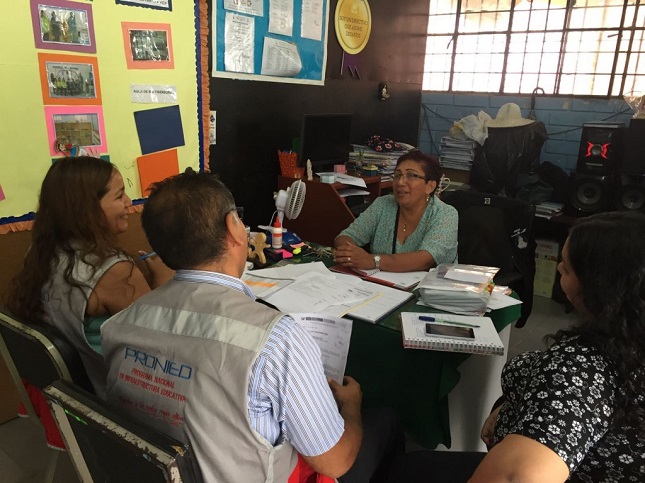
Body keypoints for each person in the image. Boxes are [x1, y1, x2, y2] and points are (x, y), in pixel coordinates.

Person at [101, 170, 404, 482]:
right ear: (233, 227)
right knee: (387, 422)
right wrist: (351, 407)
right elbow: (336, 461)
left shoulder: (120, 323)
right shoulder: (276, 340)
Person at [470, 211, 645, 482]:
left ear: (599, 286)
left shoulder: (581, 368)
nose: (558, 271)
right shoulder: (625, 337)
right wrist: (516, 406)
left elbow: (519, 475)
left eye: (566, 267)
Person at [5, 156, 171, 398]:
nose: (128, 202)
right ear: (87, 209)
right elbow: (164, 341)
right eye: (119, 195)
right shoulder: (115, 271)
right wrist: (165, 282)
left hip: (69, 394)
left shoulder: (42, 253)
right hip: (113, 394)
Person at [334, 150, 457, 272]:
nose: (400, 182)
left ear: (429, 186)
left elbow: (425, 260)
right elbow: (346, 236)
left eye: (411, 175)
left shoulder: (445, 214)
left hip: (428, 287)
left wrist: (371, 260)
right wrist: (348, 253)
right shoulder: (382, 205)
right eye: (397, 175)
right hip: (381, 285)